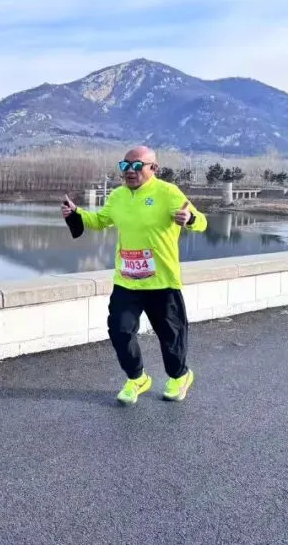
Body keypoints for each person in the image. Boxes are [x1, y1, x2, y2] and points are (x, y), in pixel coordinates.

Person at [61, 146, 205, 405]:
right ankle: (137, 378)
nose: (130, 171)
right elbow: (100, 221)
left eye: (137, 165)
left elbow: (202, 222)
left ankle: (179, 376)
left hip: (162, 281)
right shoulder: (118, 196)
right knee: (119, 330)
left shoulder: (168, 193)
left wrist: (191, 218)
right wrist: (77, 213)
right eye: (125, 165)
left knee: (171, 336)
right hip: (127, 280)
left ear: (154, 168)